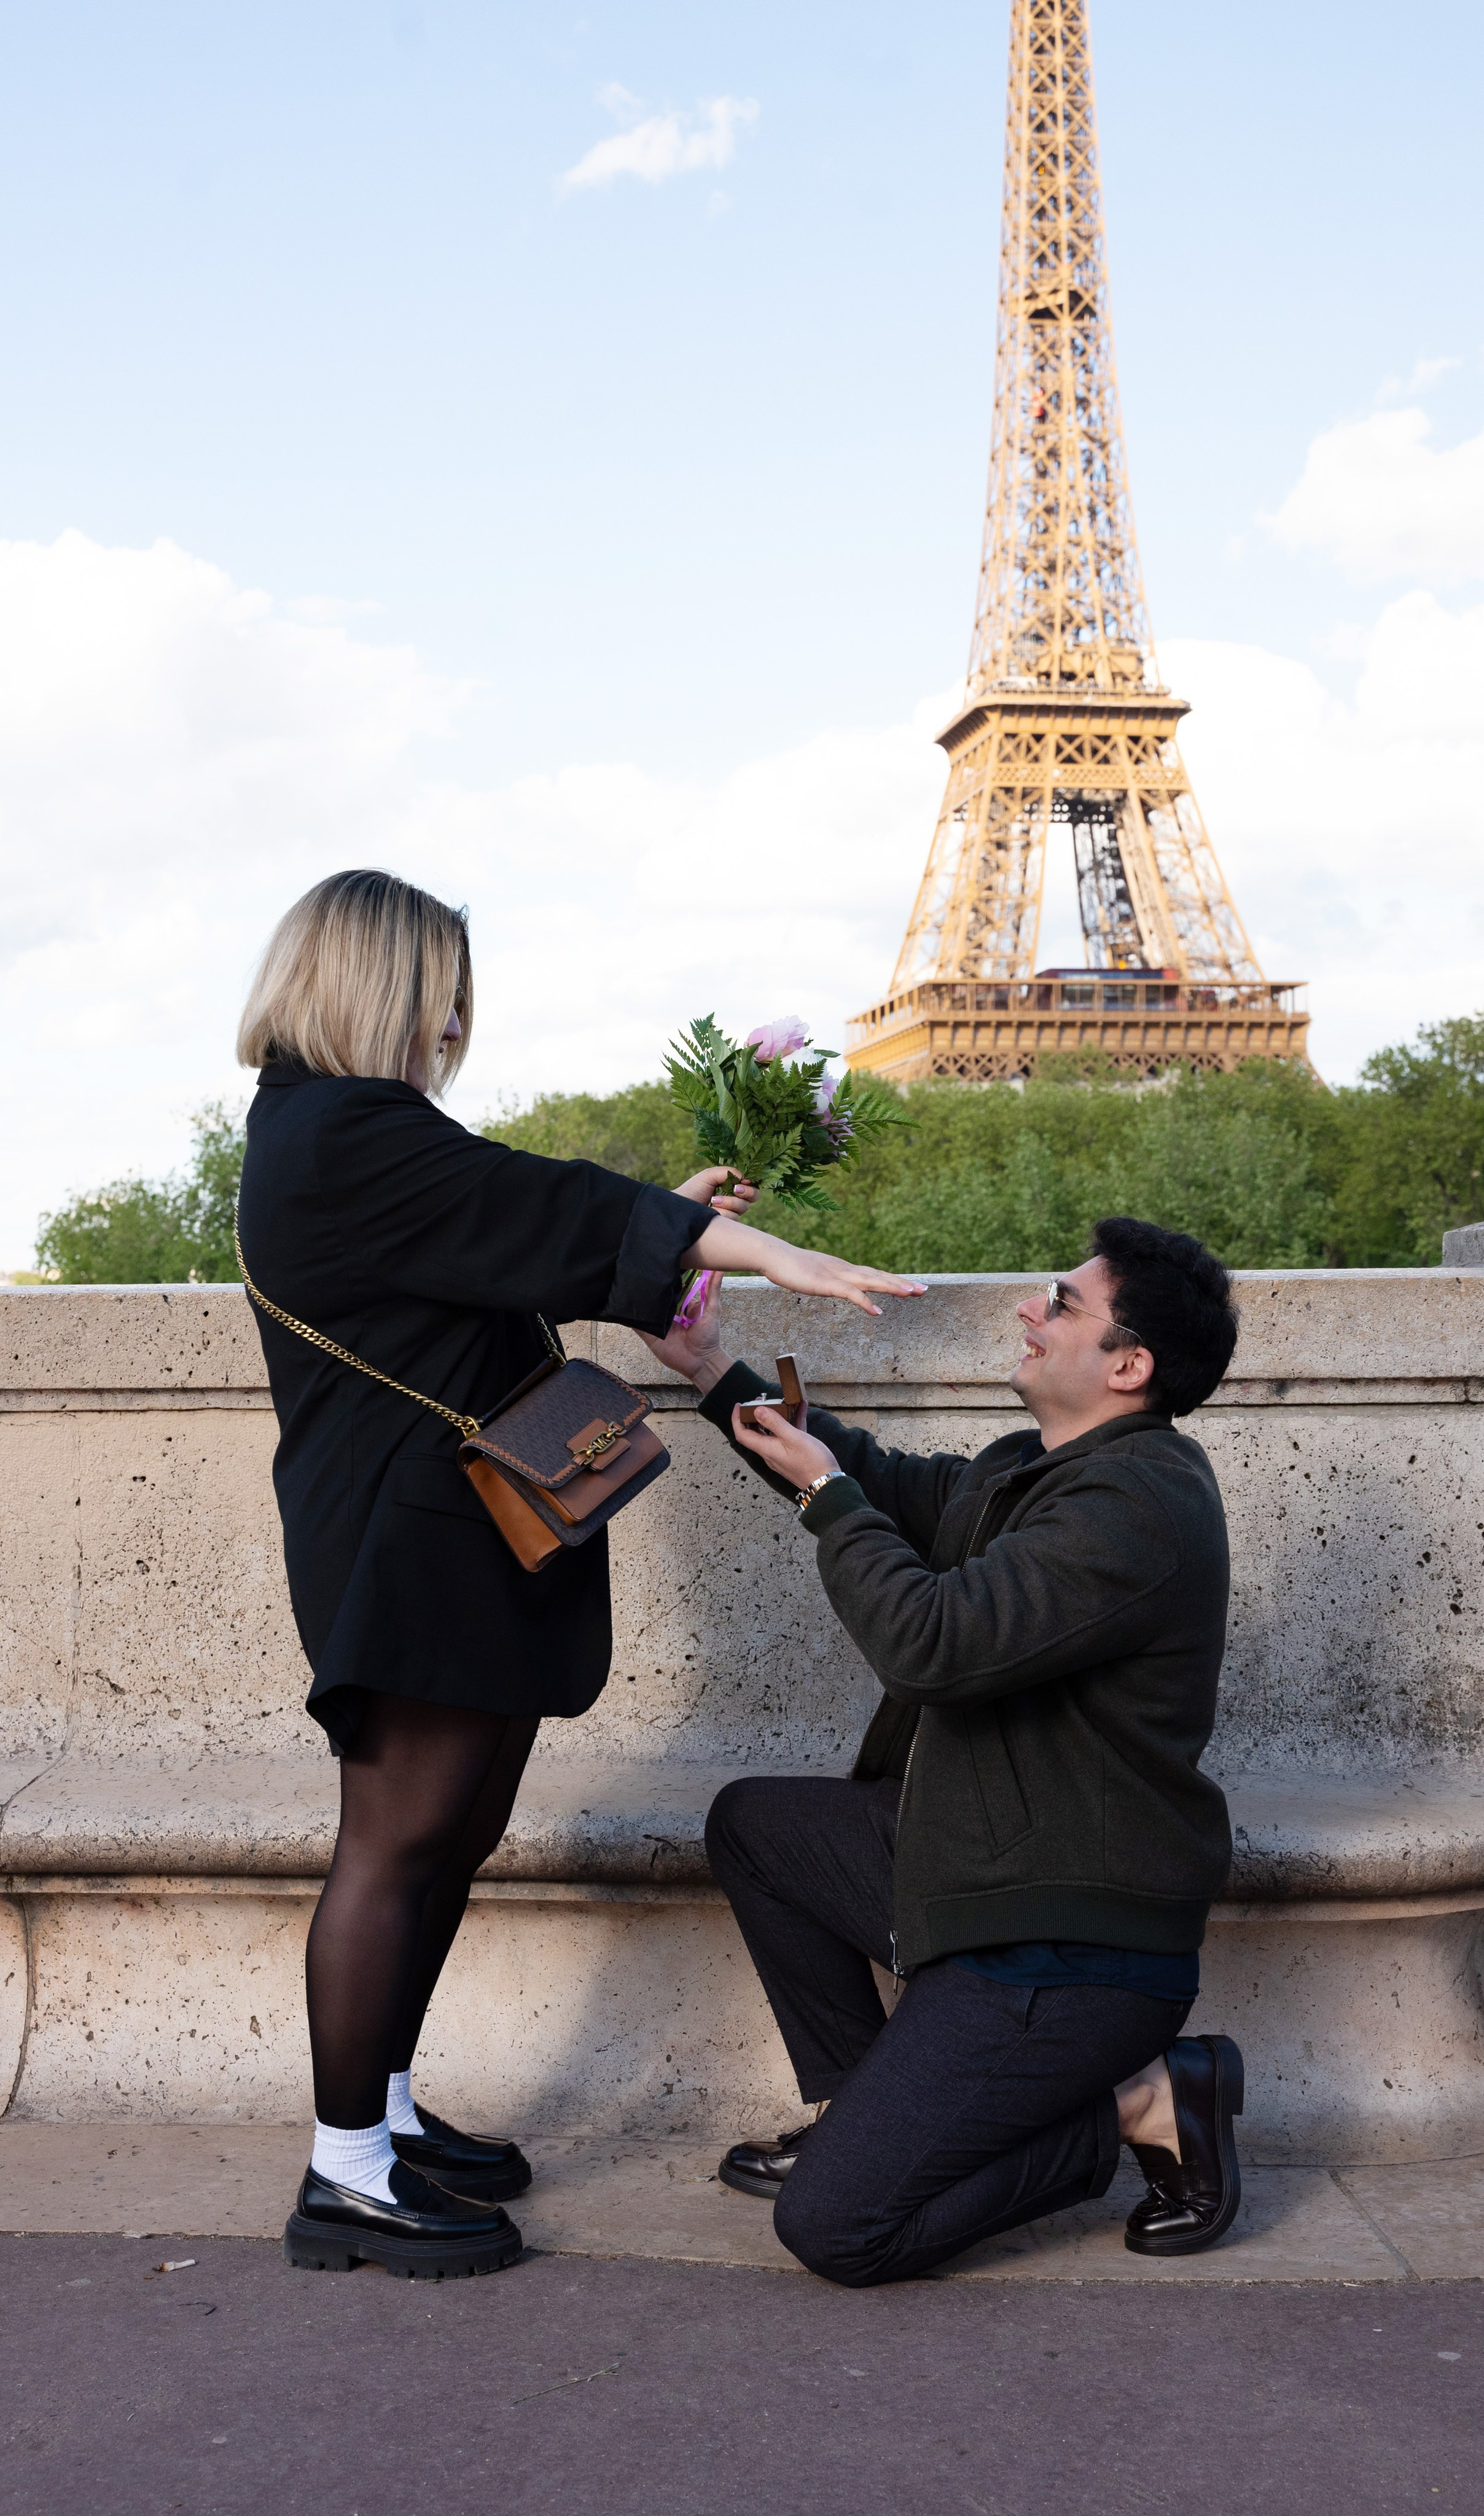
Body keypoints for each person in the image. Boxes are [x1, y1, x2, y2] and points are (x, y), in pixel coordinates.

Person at [234, 868, 923, 2279]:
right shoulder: (340, 1127)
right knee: (396, 1839)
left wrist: (667, 1217)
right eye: (442, 993)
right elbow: (535, 1201)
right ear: (381, 985)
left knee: (450, 1830)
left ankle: (384, 2113)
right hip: (408, 1537)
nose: (454, 1021)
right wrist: (764, 1248)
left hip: (443, 1526)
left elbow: (483, 1238)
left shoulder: (334, 1133)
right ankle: (343, 2174)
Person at [639, 1216, 1245, 2286]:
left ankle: (1148, 2102)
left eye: (1061, 1302)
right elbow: (873, 1480)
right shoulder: (1036, 1468)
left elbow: (934, 1645)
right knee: (761, 1826)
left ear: (1129, 1363)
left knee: (837, 2231)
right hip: (982, 1870)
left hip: (1067, 1945)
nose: (1028, 1309)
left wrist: (833, 1502)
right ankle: (866, 2109)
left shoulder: (1141, 1505)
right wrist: (706, 1368)